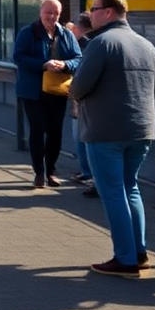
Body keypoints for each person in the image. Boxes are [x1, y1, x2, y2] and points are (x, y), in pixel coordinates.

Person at [69, 0, 155, 278]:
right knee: (130, 187)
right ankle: (140, 252)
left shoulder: (101, 43)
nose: (90, 14)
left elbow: (79, 87)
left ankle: (125, 258)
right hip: (141, 130)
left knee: (112, 192)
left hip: (105, 130)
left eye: (94, 9)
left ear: (108, 12)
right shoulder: (147, 45)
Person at [13, 0, 82, 188]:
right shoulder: (28, 33)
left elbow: (78, 58)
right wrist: (43, 65)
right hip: (33, 91)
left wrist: (65, 64)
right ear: (40, 12)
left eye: (56, 13)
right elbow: (18, 57)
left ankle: (51, 170)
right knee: (38, 129)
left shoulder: (66, 34)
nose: (51, 17)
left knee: (55, 131)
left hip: (57, 90)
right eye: (48, 12)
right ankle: (39, 172)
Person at [68, 14, 97, 197]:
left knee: (83, 139)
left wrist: (76, 101)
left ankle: (91, 176)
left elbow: (81, 79)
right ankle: (90, 175)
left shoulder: (90, 46)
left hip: (89, 105)